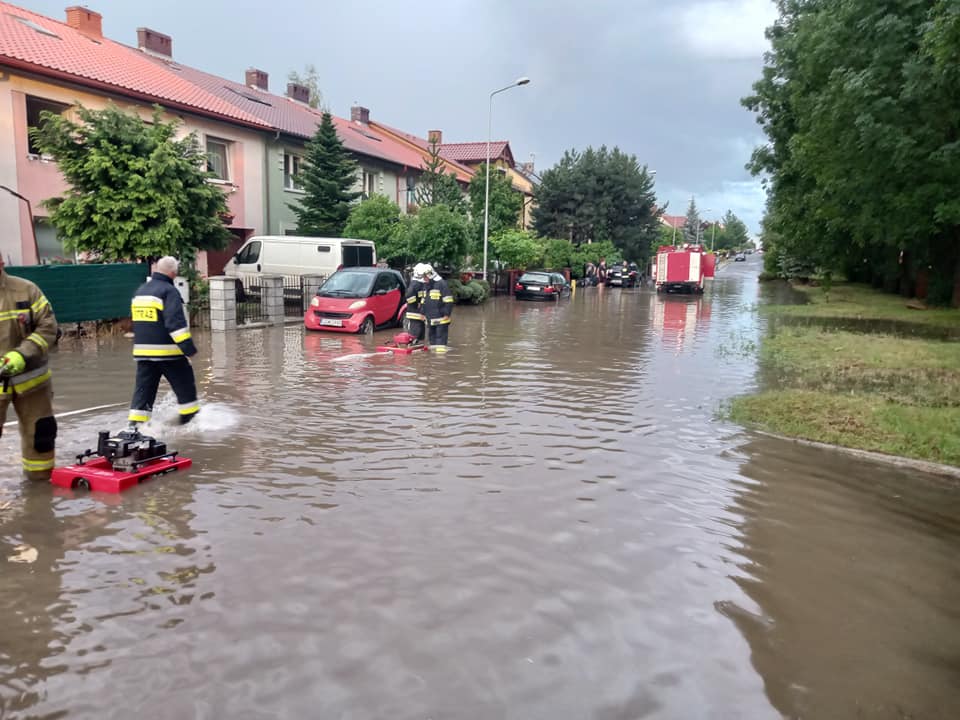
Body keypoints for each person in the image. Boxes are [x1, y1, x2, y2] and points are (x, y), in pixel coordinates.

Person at [0, 255, 59, 481]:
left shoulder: (27, 290)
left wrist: (22, 353)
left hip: (34, 383)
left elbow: (49, 327)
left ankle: (40, 495)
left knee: (41, 439)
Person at [128, 256, 199, 429]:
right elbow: (175, 325)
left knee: (143, 392)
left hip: (143, 354)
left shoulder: (140, 291)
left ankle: (135, 428)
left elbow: (136, 324)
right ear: (173, 273)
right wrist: (188, 349)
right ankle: (191, 425)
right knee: (185, 387)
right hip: (168, 354)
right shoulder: (169, 291)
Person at [416, 264, 453, 353]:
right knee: (432, 344)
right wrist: (422, 313)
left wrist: (446, 314)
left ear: (430, 275)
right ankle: (433, 363)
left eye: (425, 277)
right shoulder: (427, 285)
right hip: (430, 320)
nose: (424, 280)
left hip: (441, 320)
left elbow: (448, 300)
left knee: (440, 345)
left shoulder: (442, 284)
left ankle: (440, 363)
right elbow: (423, 300)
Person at [404, 263, 428, 344]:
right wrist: (415, 303)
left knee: (421, 330)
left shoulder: (421, 283)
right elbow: (408, 296)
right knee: (415, 330)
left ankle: (419, 344)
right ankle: (412, 344)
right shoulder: (415, 283)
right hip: (414, 312)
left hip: (420, 312)